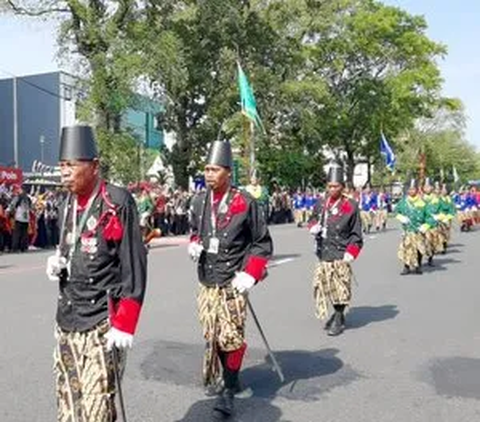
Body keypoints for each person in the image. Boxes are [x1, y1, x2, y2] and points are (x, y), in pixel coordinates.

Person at [46, 125, 147, 422]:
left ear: (94, 166)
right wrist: (59, 261)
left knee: (96, 411)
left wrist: (126, 322)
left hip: (102, 321)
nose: (64, 172)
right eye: (61, 165)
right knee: (68, 407)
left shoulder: (116, 201)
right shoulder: (66, 203)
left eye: (71, 165)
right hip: (67, 319)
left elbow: (134, 264)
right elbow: (71, 243)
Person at [188, 140, 273, 419]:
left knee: (231, 335)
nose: (208, 174)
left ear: (228, 172)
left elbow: (262, 243)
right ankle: (231, 376)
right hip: (207, 281)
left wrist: (251, 273)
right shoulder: (199, 201)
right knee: (212, 335)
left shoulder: (245, 202)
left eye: (214, 170)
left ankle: (228, 388)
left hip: (233, 280)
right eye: (206, 169)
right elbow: (195, 231)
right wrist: (194, 243)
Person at [308, 162, 363, 336]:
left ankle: (339, 317)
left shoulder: (350, 206)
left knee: (341, 286)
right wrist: (313, 227)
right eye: (330, 186)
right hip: (324, 250)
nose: (332, 189)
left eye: (336, 186)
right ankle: (337, 313)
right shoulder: (321, 203)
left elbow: (356, 234)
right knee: (327, 286)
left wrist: (351, 252)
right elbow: (312, 219)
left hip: (341, 251)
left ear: (343, 187)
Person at [394, 180, 428, 275]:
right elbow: (396, 212)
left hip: (418, 230)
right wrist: (401, 218)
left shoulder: (422, 202)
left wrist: (425, 226)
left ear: (417, 190)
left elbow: (428, 216)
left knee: (419, 248)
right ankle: (406, 266)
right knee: (407, 247)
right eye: (410, 189)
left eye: (413, 189)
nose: (411, 191)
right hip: (408, 230)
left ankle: (418, 265)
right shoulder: (403, 202)